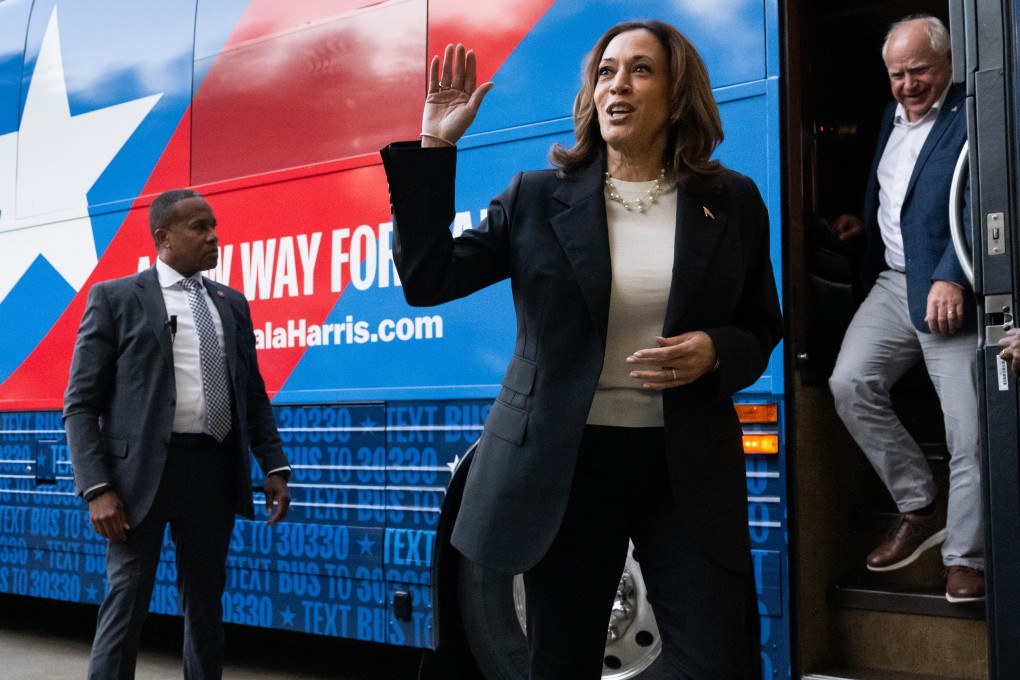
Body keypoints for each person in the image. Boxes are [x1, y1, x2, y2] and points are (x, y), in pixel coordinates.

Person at [380, 21, 782, 679]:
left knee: (718, 660)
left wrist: (716, 351)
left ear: (679, 95)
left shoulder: (730, 202)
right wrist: (434, 146)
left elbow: (761, 327)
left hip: (682, 468)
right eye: (605, 71)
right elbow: (427, 280)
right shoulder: (535, 199)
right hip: (567, 468)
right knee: (561, 662)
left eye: (641, 70)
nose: (618, 85)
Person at [64, 189, 292, 679]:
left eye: (214, 225)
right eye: (199, 227)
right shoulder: (116, 298)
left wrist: (272, 464)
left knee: (206, 606)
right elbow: (80, 405)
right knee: (126, 602)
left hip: (211, 469)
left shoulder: (231, 303)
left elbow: (251, 393)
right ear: (163, 238)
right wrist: (97, 488)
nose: (213, 236)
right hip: (137, 478)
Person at [827, 15, 984, 603]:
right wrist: (862, 224)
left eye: (919, 70)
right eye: (897, 74)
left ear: (947, 63)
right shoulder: (888, 121)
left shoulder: (971, 112)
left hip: (948, 290)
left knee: (968, 432)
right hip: (893, 284)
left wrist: (953, 275)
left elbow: (984, 200)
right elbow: (902, 197)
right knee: (849, 382)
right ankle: (919, 503)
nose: (908, 84)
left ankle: (966, 558)